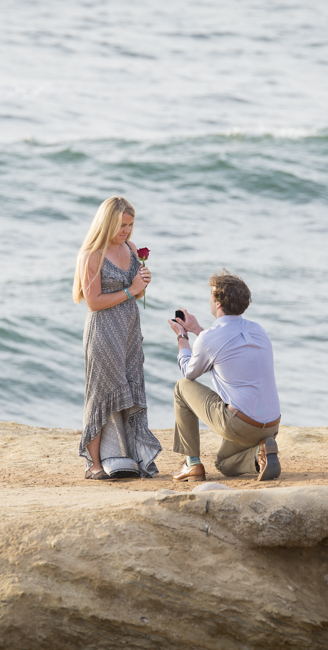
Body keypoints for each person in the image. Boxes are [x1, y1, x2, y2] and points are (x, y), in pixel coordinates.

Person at [73, 197, 162, 480]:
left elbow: (138, 293)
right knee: (100, 394)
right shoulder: (92, 255)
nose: (126, 230)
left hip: (129, 331)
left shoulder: (131, 249)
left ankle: (132, 457)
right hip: (103, 331)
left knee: (131, 389)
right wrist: (130, 290)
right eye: (121, 225)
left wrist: (143, 284)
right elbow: (93, 302)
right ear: (106, 223)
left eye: (131, 224)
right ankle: (94, 464)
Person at [167, 270, 281, 482]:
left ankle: (191, 464)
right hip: (271, 425)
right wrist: (197, 329)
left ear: (218, 303)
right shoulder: (259, 330)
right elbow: (223, 348)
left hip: (241, 425)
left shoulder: (209, 338)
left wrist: (182, 336)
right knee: (224, 463)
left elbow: (189, 371)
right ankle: (260, 454)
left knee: (181, 387)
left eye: (211, 295)